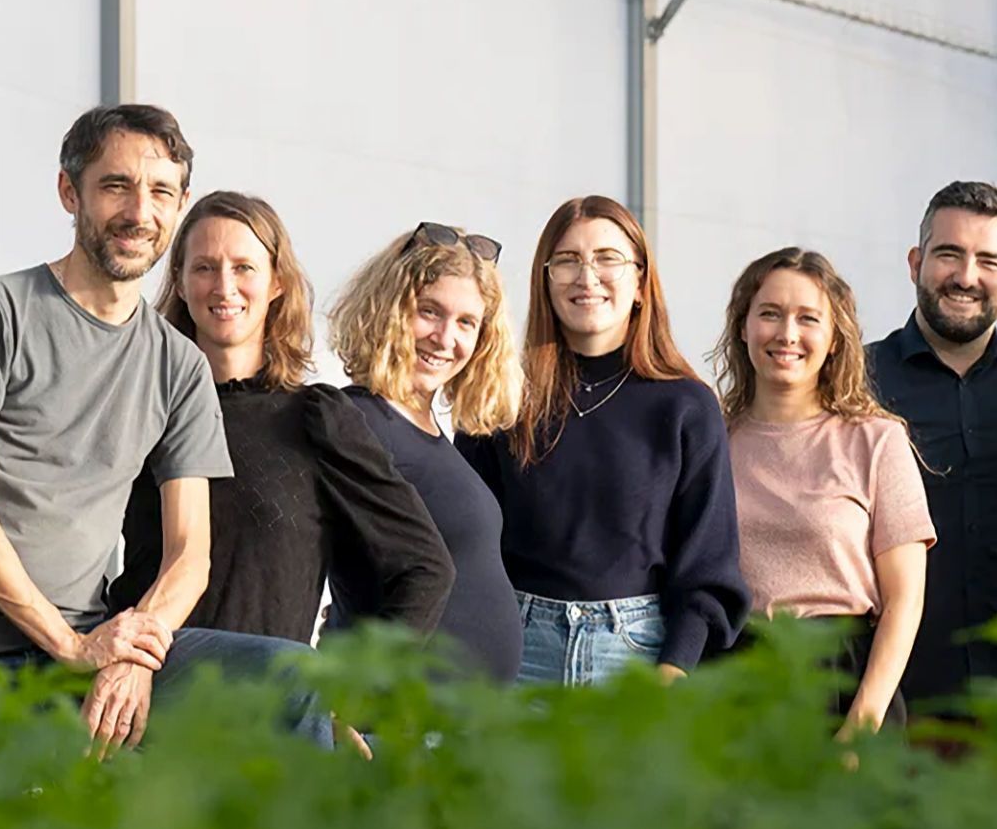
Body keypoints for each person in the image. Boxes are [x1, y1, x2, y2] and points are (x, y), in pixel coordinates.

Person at [0, 105, 329, 754]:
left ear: (179, 206)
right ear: (71, 193)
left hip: (92, 649)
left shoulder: (178, 363)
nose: (138, 211)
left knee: (291, 680)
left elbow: (190, 556)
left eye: (159, 192)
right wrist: (71, 646)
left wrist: (133, 657)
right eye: (115, 186)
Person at [109, 191, 454, 646]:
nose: (224, 286)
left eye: (244, 267)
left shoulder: (313, 420)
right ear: (179, 281)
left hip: (265, 706)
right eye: (204, 267)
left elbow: (425, 568)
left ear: (277, 283)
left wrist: (355, 693)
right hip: (141, 697)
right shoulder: (141, 408)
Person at [456, 196, 749, 685]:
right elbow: (462, 538)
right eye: (567, 260)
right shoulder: (503, 394)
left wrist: (672, 673)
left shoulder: (686, 406)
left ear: (640, 283)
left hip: (636, 657)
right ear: (545, 280)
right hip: (515, 652)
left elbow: (708, 563)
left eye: (607, 259)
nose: (586, 277)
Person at [865, 181, 997, 731]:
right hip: (893, 708)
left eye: (989, 260)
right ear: (916, 262)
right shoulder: (855, 381)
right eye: (949, 254)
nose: (966, 276)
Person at [714, 248, 935, 734]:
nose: (787, 334)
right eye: (769, 314)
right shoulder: (712, 440)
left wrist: (861, 726)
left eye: (808, 318)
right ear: (743, 328)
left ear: (835, 338)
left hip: (842, 682)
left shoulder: (876, 441)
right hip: (736, 679)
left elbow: (905, 602)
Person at [325, 223, 524, 683]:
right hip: (405, 722)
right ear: (390, 311)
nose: (445, 337)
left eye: (466, 323)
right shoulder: (358, 419)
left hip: (462, 725)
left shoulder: (433, 430)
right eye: (429, 312)